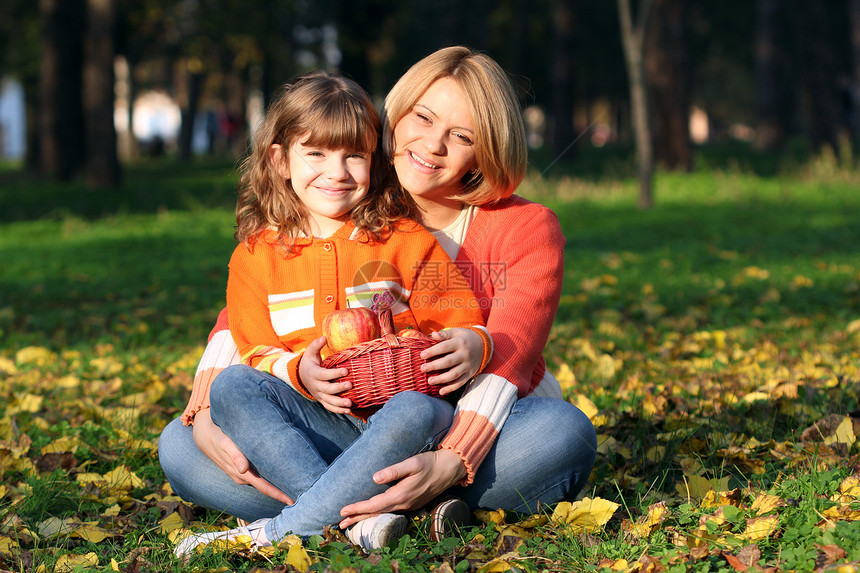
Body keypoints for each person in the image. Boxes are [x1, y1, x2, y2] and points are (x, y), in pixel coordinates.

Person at [160, 46, 596, 553]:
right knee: (182, 445)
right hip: (337, 421)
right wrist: (211, 403)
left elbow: (512, 353)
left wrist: (451, 457)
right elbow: (256, 300)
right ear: (395, 115)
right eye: (424, 117)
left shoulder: (516, 229)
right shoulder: (345, 197)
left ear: (487, 150)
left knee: (562, 434)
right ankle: (387, 517)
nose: (433, 144)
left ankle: (319, 515)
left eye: (463, 136)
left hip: (453, 425)